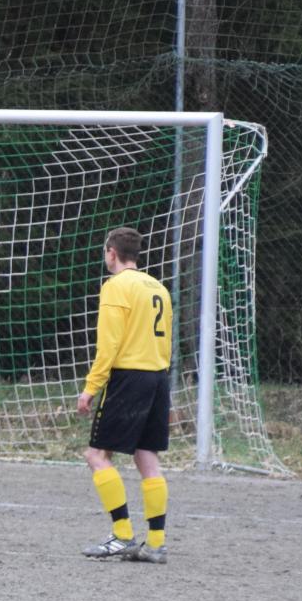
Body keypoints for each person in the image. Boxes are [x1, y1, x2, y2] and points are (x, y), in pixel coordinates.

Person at [77, 226, 172, 562]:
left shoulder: (116, 286)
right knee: (147, 458)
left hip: (129, 377)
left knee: (96, 455)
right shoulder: (157, 286)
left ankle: (122, 535)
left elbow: (109, 345)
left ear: (112, 253)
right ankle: (156, 543)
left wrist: (91, 387)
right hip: (158, 376)